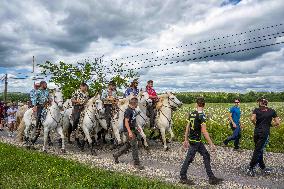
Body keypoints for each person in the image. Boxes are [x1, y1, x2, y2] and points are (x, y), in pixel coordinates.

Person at [180, 97, 223, 185]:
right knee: (189, 158)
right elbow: (204, 131)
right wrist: (211, 144)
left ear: (196, 104)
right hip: (196, 141)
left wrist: (185, 139)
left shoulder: (192, 113)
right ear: (204, 105)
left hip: (194, 140)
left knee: (206, 155)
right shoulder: (202, 115)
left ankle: (211, 178)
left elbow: (187, 127)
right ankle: (183, 177)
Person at [247, 97, 280, 177]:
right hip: (265, 133)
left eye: (258, 102)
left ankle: (262, 166)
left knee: (259, 149)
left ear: (260, 103)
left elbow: (252, 119)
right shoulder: (272, 111)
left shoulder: (256, 110)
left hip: (256, 132)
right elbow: (278, 122)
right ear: (266, 103)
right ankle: (250, 168)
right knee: (258, 150)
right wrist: (270, 125)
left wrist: (256, 125)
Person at [113, 97, 144, 170]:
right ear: (134, 103)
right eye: (137, 103)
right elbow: (126, 122)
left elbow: (133, 120)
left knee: (128, 145)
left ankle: (116, 155)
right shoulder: (128, 111)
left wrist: (137, 127)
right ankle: (136, 163)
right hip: (128, 130)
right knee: (134, 146)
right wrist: (129, 132)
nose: (137, 105)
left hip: (133, 129)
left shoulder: (133, 110)